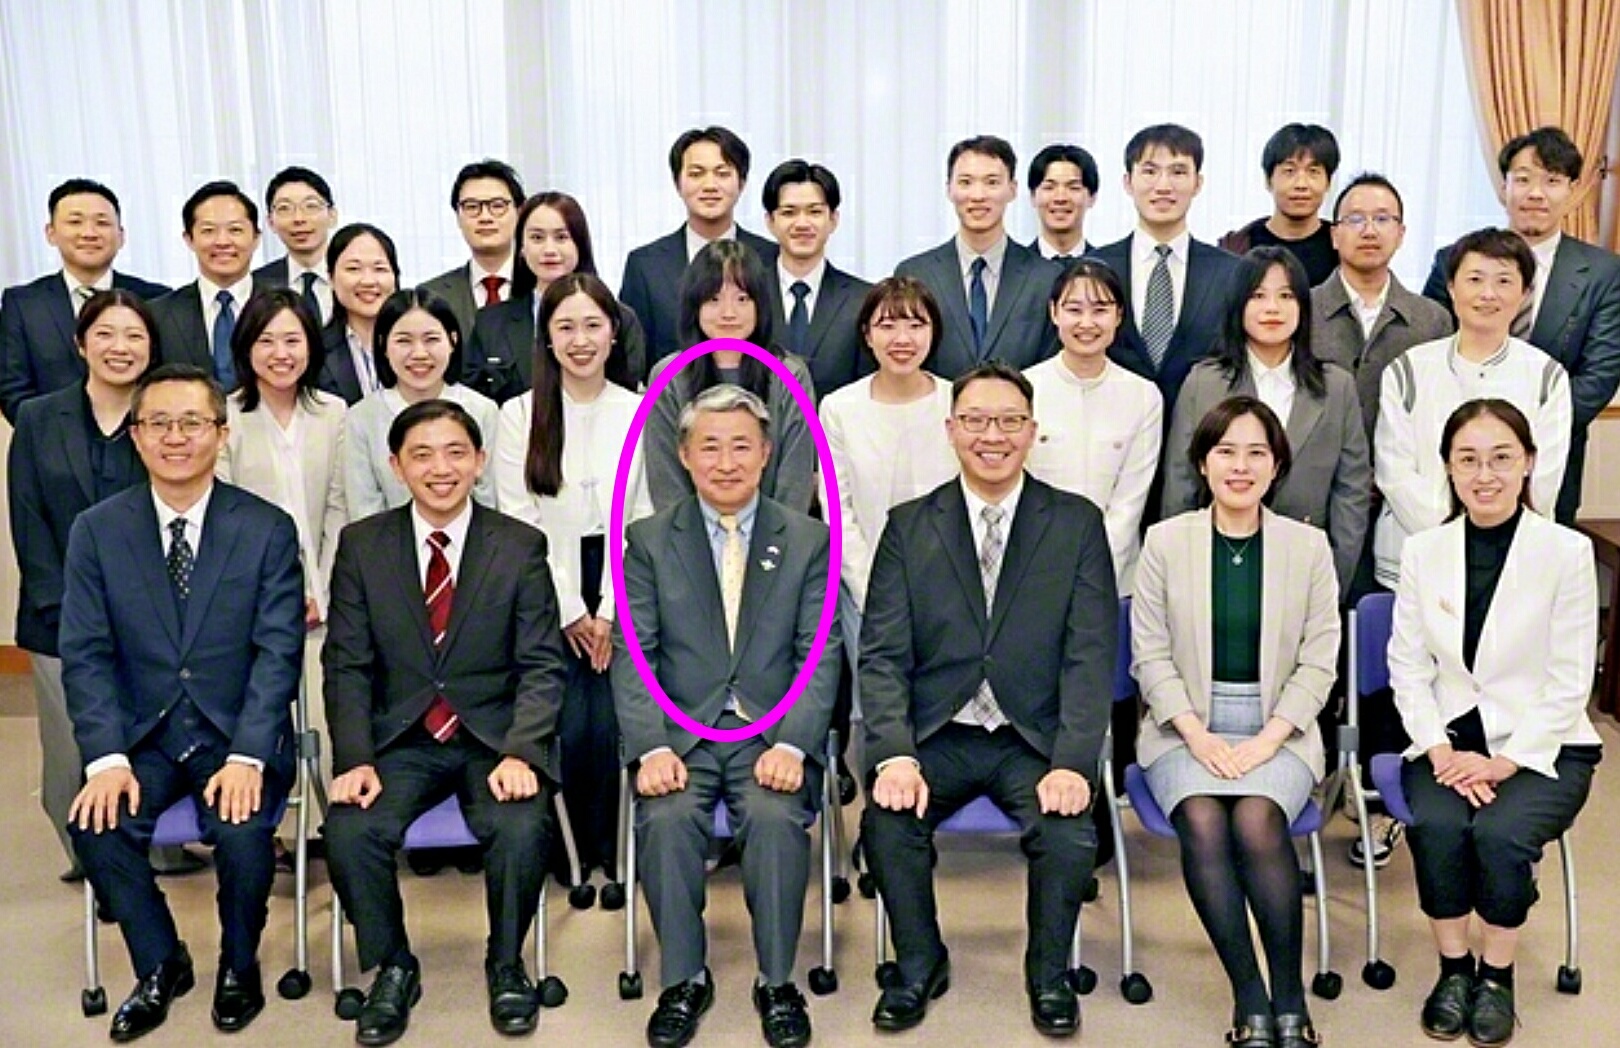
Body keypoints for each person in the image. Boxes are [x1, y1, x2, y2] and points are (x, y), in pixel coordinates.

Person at [859, 361, 1114, 1038]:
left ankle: (1049, 974)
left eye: (1008, 421)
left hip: (1032, 735)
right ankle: (919, 963)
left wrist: (1073, 762)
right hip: (938, 732)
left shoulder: (1076, 523)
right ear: (950, 429)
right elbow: (882, 656)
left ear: (1032, 432)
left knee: (1067, 831)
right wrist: (894, 755)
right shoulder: (909, 525)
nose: (991, 436)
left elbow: (1090, 657)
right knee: (887, 822)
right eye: (975, 420)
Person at [60, 363, 305, 1040]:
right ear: (135, 436)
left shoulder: (266, 528)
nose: (175, 437)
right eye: (158, 423)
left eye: (192, 422)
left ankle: (239, 965)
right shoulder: (96, 531)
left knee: (244, 831)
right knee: (96, 826)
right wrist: (106, 758)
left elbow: (277, 654)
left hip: (234, 735)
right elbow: (86, 654)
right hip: (142, 736)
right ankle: (161, 961)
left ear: (221, 434)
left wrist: (250, 755)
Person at [323, 398, 569, 1043]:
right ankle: (393, 967)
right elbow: (347, 665)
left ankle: (506, 963)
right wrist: (355, 759)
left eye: (456, 452)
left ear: (480, 461)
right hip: (401, 740)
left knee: (520, 824)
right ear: (396, 466)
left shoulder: (518, 545)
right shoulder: (362, 546)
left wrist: (523, 751)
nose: (441, 468)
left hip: (493, 740)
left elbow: (542, 664)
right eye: (422, 455)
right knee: (350, 828)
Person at [611, 385, 839, 1048]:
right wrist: (651, 746)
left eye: (742, 446)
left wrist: (794, 744)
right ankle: (684, 979)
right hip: (680, 733)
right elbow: (634, 650)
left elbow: (819, 650)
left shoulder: (808, 539)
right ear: (684, 456)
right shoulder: (648, 540)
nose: (726, 462)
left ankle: (777, 981)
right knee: (667, 821)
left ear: (767, 454)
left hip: (771, 732)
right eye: (709, 447)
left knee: (773, 819)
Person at [1388, 398, 1602, 1048]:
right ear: (1449, 468)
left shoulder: (1565, 552)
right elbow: (1407, 667)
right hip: (1448, 741)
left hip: (1545, 744)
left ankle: (1497, 976)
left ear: (1529, 463)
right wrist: (1438, 750)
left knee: (1501, 835)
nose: (1485, 475)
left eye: (1501, 458)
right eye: (1468, 460)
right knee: (1438, 826)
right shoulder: (1424, 551)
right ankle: (1454, 970)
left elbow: (1570, 679)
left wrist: (1506, 762)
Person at [1132, 396, 1339, 1048]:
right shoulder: (1166, 542)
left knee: (1255, 818)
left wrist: (1268, 739)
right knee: (1201, 818)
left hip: (1281, 725)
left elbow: (1319, 660)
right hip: (1182, 725)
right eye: (1226, 451)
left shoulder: (1309, 546)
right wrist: (1197, 735)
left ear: (1276, 465)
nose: (1240, 466)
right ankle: (1250, 997)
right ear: (1203, 462)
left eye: (1256, 453)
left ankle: (1289, 998)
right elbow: (1150, 654)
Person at [493, 272, 651, 899]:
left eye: (592, 325)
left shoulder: (638, 409)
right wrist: (568, 611)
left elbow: (641, 519)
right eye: (565, 328)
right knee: (565, 719)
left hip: (622, 577)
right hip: (542, 580)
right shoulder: (518, 415)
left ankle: (617, 852)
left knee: (609, 719)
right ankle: (569, 854)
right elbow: (519, 519)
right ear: (547, 338)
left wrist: (609, 610)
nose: (580, 340)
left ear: (613, 333)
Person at [9, 290, 159, 879]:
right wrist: (66, 608)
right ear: (80, 344)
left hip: (149, 615)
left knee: (148, 733)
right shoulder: (39, 418)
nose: (120, 347)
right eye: (106, 334)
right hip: (58, 613)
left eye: (134, 336)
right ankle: (88, 854)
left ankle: (155, 846)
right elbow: (28, 517)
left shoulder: (162, 419)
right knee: (73, 742)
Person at [1422, 126, 1620, 524]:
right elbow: (1430, 352)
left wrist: (1518, 440)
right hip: (1453, 456)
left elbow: (1599, 376)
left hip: (1550, 459)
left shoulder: (1603, 272)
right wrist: (1471, 437)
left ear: (1573, 189)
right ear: (1504, 186)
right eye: (1524, 179)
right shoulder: (1454, 260)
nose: (1536, 194)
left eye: (1552, 181)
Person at [1162, 247, 1371, 598]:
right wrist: (1182, 573)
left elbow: (1352, 490)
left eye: (1286, 296)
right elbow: (1180, 483)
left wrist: (1333, 578)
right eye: (1258, 296)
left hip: (1306, 566)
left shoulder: (1336, 386)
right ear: (1238, 305)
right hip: (1214, 559)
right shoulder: (1204, 382)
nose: (1272, 308)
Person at [215, 290, 348, 829]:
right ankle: (266, 826)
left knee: (322, 712)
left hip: (324, 590)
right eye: (266, 340)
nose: (280, 353)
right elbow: (225, 520)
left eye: (292, 340)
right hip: (249, 597)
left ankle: (323, 826)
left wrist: (323, 590)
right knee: (261, 714)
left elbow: (339, 509)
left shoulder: (332, 412)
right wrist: (279, 598)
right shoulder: (225, 416)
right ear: (245, 347)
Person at [1375, 228, 1571, 590]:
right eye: (1475, 279)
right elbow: (1394, 473)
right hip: (1416, 554)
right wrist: (1453, 535)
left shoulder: (1547, 376)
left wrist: (1491, 534)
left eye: (1503, 281)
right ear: (1451, 287)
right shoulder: (1407, 370)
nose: (1487, 294)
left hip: (1512, 557)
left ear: (1525, 293)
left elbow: (1543, 479)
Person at [819, 278, 957, 651]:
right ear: (867, 335)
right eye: (887, 325)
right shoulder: (839, 408)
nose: (902, 339)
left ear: (934, 332)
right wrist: (871, 589)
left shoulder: (957, 403)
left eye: (916, 325)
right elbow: (838, 509)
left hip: (951, 594)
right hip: (863, 592)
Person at [644, 239, 817, 513]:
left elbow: (794, 482)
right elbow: (666, 481)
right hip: (687, 534)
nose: (728, 313)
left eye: (742, 299)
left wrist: (773, 536)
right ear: (695, 306)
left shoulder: (790, 374)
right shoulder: (668, 376)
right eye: (714, 299)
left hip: (777, 533)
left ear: (760, 305)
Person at [1025, 259, 1163, 593]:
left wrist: (1092, 574)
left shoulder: (1143, 396)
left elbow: (1130, 503)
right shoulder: (1025, 389)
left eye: (1100, 310)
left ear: (1118, 315)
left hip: (1115, 580)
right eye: (1074, 309)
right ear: (1054, 312)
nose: (1086, 323)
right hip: (1032, 573)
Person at [1090, 124, 1245, 420]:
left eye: (1178, 172)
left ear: (1198, 183)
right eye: (1149, 171)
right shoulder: (1093, 269)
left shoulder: (1231, 273)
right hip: (1110, 426)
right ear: (1128, 182)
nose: (1163, 186)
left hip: (1203, 430)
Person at [0, 178, 168, 422]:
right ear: (51, 233)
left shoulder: (156, 298)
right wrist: (56, 433)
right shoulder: (23, 303)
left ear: (121, 236)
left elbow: (166, 380)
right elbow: (12, 388)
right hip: (53, 438)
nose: (89, 233)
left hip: (138, 437)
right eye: (75, 222)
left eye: (102, 223)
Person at [894, 135, 1059, 377]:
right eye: (966, 182)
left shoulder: (1046, 277)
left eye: (992, 182)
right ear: (949, 189)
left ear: (1012, 189)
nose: (978, 195)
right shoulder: (916, 274)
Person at [1310, 173, 1454, 444]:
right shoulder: (1302, 311)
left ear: (1400, 234)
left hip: (1404, 465)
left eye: (1382, 219)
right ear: (1335, 235)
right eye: (1355, 219)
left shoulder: (1433, 320)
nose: (1369, 231)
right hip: (1317, 466)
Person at [464, 191, 649, 401]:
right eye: (537, 238)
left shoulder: (621, 319)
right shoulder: (490, 323)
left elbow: (627, 393)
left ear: (580, 244)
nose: (549, 250)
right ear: (521, 248)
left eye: (561, 237)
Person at [620, 126, 780, 364]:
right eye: (696, 174)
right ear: (677, 183)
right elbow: (632, 354)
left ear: (742, 182)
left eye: (722, 173)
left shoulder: (772, 257)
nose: (710, 185)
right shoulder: (644, 265)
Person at [342, 288, 499, 519]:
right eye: (404, 341)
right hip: (387, 541)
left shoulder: (483, 410)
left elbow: (489, 500)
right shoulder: (361, 418)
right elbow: (364, 510)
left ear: (453, 340)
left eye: (431, 339)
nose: (419, 353)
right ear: (383, 345)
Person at [760, 159, 873, 397]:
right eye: (789, 212)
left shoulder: (864, 299)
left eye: (814, 212)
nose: (802, 223)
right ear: (770, 221)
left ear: (833, 219)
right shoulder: (748, 295)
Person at [148, 181, 271, 391]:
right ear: (189, 239)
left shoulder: (285, 309)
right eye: (208, 231)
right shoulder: (158, 314)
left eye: (235, 230)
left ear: (256, 238)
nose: (222, 241)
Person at [1218, 123, 1341, 286]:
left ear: (1328, 182)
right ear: (1268, 180)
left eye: (1313, 172)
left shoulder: (1343, 245)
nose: (1301, 184)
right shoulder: (1236, 247)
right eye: (1289, 171)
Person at [421, 159, 526, 340]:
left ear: (519, 212)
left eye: (497, 206)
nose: (485, 217)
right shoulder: (431, 296)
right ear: (458, 216)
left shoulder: (540, 286)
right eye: (472, 207)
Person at [318, 224, 401, 405]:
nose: (368, 281)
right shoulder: (315, 350)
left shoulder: (420, 344)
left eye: (379, 269)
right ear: (331, 278)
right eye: (354, 269)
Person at [253, 166, 339, 324]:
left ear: (332, 216)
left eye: (310, 206)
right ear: (270, 222)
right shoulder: (256, 285)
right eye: (285, 208)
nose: (299, 218)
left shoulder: (354, 276)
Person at [1027, 144, 1100, 260]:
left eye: (1073, 188)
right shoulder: (1011, 266)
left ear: (1092, 197)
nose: (1060, 198)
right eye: (1049, 187)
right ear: (1032, 196)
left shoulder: (1107, 265)